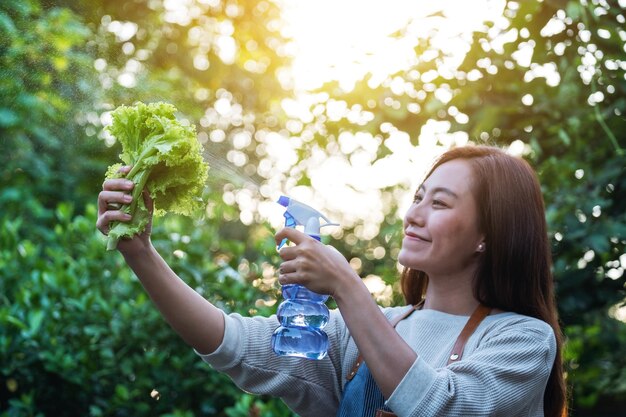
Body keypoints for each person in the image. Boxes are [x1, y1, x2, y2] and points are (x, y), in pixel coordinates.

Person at [97, 145, 568, 417]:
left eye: (439, 204)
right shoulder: (361, 334)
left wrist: (347, 285)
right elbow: (234, 343)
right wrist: (140, 252)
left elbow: (441, 407)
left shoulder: (521, 340)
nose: (413, 215)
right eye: (418, 197)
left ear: (488, 234)